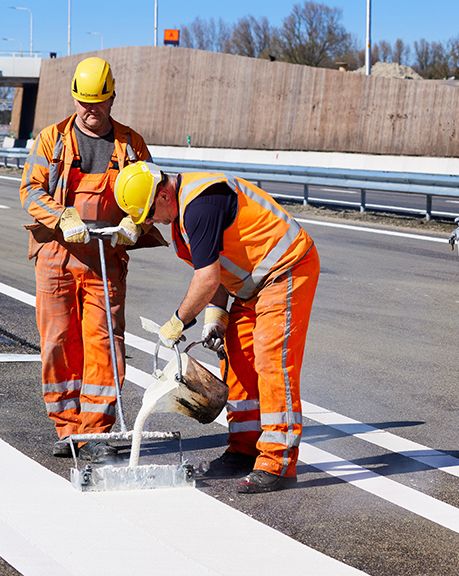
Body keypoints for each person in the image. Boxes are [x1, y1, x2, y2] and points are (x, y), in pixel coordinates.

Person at [113, 162, 320, 493]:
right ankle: (244, 449)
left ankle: (278, 461)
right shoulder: (182, 213)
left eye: (151, 213)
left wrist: (178, 321)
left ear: (163, 193)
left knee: (271, 362)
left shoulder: (200, 205)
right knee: (236, 359)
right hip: (252, 285)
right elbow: (218, 266)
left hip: (286, 270)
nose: (152, 221)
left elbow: (206, 277)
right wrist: (216, 316)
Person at [19, 57, 165, 463]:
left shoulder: (131, 145)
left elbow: (154, 193)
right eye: (85, 102)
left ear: (112, 98)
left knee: (104, 346)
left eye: (99, 103)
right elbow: (30, 192)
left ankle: (95, 434)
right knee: (58, 343)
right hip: (56, 255)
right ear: (74, 97)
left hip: (106, 257)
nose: (91, 110)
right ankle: (67, 430)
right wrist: (62, 217)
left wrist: (135, 226)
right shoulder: (53, 140)